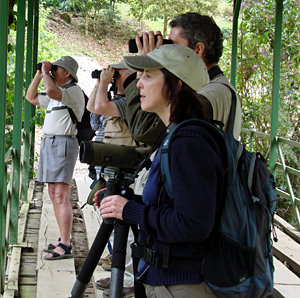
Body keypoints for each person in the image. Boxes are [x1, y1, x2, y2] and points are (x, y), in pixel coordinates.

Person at [94, 44, 224, 298]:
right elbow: (172, 203)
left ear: (177, 85)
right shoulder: (173, 134)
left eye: (148, 76)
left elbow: (194, 224)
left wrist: (129, 210)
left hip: (181, 285)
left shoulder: (189, 142)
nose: (138, 84)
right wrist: (127, 202)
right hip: (162, 279)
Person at [125, 12, 242, 146]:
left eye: (172, 45)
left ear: (197, 50)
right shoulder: (212, 86)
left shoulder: (208, 93)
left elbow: (144, 130)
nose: (167, 50)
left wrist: (145, 69)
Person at [25, 56, 85, 260]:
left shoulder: (71, 92)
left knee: (61, 195)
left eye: (56, 69)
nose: (52, 72)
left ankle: (67, 244)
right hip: (51, 143)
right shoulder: (56, 93)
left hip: (63, 144)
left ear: (67, 73)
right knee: (53, 193)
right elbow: (30, 97)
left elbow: (50, 90)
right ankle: (63, 238)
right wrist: (38, 73)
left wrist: (45, 73)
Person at [87, 61, 136, 297]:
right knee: (115, 229)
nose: (114, 77)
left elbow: (100, 107)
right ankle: (120, 274)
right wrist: (101, 83)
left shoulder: (131, 102)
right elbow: (92, 107)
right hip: (111, 173)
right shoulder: (118, 100)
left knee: (125, 231)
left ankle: (127, 279)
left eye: (119, 73)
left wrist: (106, 82)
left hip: (126, 175)